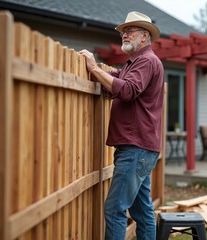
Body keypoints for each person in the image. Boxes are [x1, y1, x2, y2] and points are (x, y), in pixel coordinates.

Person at [79, 11, 164, 240]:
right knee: (141, 210)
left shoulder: (145, 61)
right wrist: (104, 75)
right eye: (123, 31)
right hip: (142, 148)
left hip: (136, 149)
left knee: (115, 209)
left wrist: (94, 69)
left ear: (144, 36)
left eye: (130, 31)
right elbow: (120, 78)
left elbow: (127, 90)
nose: (124, 35)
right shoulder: (135, 63)